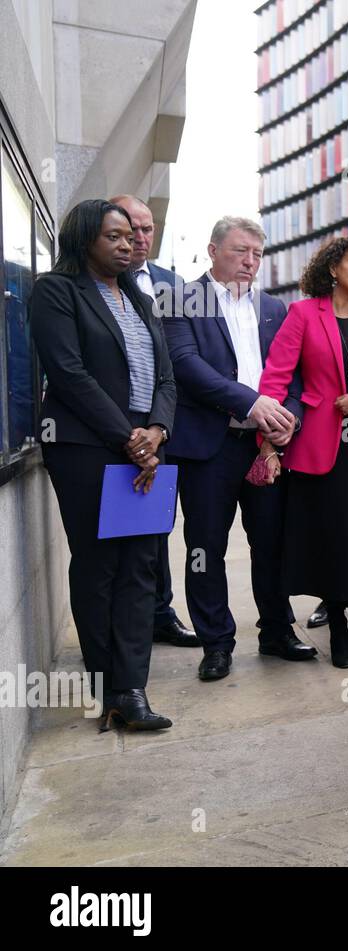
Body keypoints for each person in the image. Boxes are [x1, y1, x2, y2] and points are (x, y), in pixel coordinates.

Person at [31, 199, 176, 730]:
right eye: (113, 236)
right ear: (84, 239)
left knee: (141, 565)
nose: (127, 243)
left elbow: (166, 376)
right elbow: (68, 373)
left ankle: (132, 690)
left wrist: (157, 431)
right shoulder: (57, 291)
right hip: (87, 448)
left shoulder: (139, 298)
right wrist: (129, 439)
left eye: (131, 236)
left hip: (145, 447)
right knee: (100, 567)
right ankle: (106, 685)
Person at [163, 216, 316, 682]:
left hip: (263, 446)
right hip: (208, 447)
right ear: (212, 251)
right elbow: (186, 365)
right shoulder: (181, 299)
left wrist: (286, 420)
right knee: (205, 547)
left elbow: (293, 372)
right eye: (239, 251)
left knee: (271, 542)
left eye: (256, 253)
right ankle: (217, 643)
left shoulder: (274, 307)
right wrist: (254, 403)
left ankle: (275, 629)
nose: (250, 261)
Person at [258, 237, 348, 669]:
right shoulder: (302, 314)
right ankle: (336, 622)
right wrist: (267, 434)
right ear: (333, 267)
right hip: (319, 448)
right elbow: (276, 378)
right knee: (331, 540)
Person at [108, 193, 197, 649]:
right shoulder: (94, 284)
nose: (141, 239)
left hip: (162, 426)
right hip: (108, 429)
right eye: (130, 230)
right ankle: (119, 626)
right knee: (114, 534)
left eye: (147, 230)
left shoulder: (172, 283)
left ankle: (160, 613)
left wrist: (159, 428)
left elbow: (176, 362)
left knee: (156, 526)